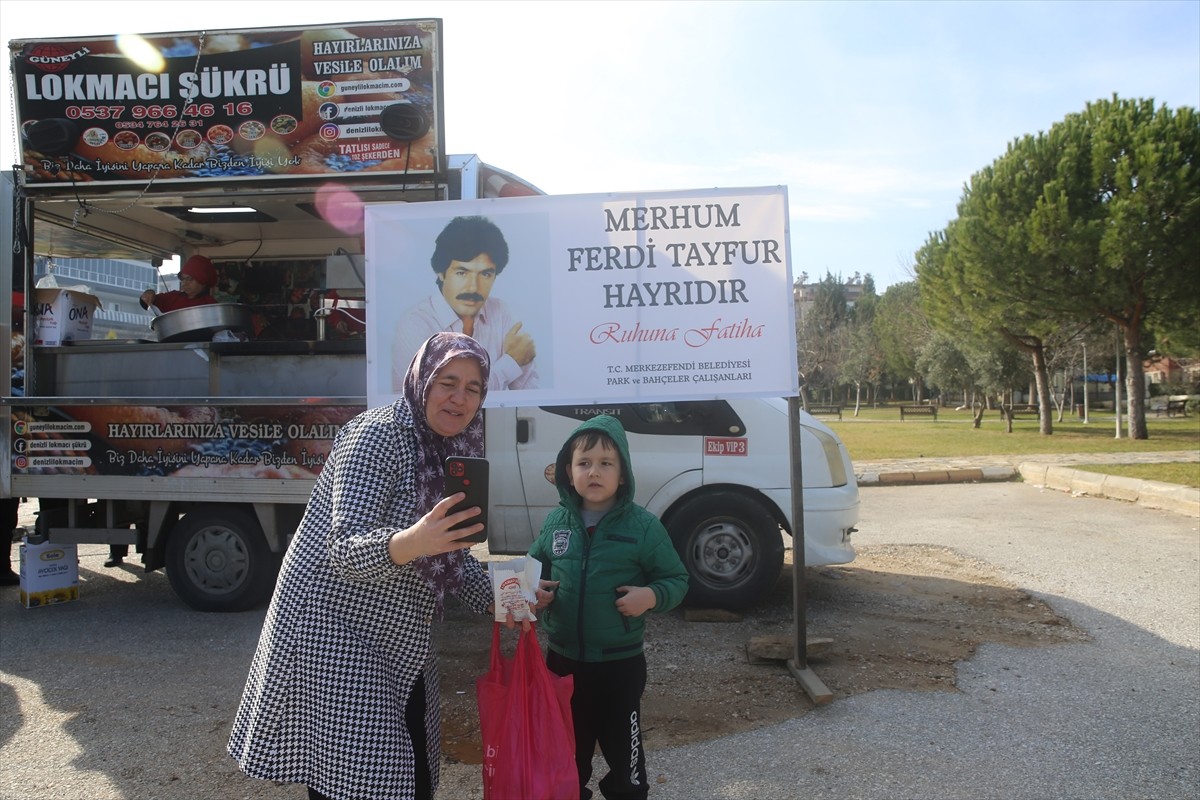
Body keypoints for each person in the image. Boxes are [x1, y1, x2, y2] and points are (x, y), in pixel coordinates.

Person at [228, 332, 499, 800]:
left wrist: (511, 595)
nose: (459, 398)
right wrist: (414, 540)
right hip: (334, 635)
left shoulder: (449, 451)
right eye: (448, 382)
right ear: (421, 380)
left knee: (408, 773)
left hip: (399, 639)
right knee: (355, 781)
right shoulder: (377, 434)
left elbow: (452, 556)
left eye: (473, 388)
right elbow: (345, 550)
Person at [529, 414, 689, 800]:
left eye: (606, 463)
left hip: (620, 666)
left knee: (626, 760)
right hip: (563, 663)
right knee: (567, 755)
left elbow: (677, 580)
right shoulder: (556, 523)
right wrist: (536, 591)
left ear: (623, 474)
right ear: (568, 472)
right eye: (584, 463)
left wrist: (649, 597)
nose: (594, 472)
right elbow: (533, 570)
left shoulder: (643, 527)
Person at [392, 215, 539, 392]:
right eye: (462, 273)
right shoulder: (415, 325)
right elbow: (445, 396)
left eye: (485, 274)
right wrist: (511, 363)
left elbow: (531, 391)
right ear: (441, 272)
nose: (473, 287)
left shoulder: (501, 312)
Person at [139, 254, 217, 313]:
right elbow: (147, 303)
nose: (184, 284)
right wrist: (149, 293)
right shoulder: (173, 298)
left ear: (202, 281)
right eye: (183, 279)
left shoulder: (211, 305)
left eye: (189, 279)